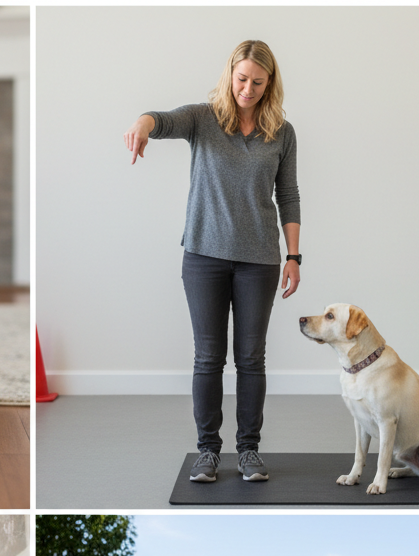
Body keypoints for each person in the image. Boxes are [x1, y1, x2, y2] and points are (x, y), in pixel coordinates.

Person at [124, 39, 301, 484]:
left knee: (251, 359)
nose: (248, 88)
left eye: (258, 82)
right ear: (230, 76)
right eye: (242, 79)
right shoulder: (204, 119)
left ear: (270, 84)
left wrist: (294, 256)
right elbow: (160, 120)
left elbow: (289, 195)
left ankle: (248, 452)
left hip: (259, 259)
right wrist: (142, 125)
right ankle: (207, 452)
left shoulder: (282, 132)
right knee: (208, 359)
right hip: (203, 255)